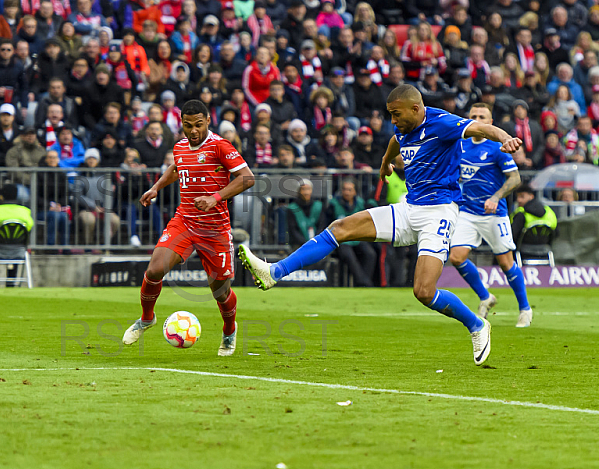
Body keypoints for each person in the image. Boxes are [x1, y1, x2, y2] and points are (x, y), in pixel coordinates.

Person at [239, 84, 524, 366]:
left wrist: (506, 138)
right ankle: (274, 272)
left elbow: (480, 128)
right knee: (341, 228)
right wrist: (386, 161)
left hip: (439, 213)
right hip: (409, 208)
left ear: (416, 108)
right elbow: (395, 140)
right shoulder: (404, 126)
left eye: (396, 114)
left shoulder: (443, 122)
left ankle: (476, 324)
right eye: (390, 114)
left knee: (424, 292)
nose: (392, 121)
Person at [122, 100, 255, 357]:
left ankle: (229, 330)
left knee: (220, 291)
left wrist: (216, 198)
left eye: (198, 124)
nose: (193, 131)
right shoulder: (180, 146)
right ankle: (146, 318)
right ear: (181, 124)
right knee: (155, 268)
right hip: (184, 220)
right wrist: (156, 187)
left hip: (215, 228)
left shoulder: (220, 146)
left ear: (207, 121)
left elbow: (247, 177)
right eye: (187, 125)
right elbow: (177, 168)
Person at [449, 104, 531, 328]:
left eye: (482, 116)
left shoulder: (496, 147)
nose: (477, 119)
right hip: (467, 211)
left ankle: (525, 309)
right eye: (474, 116)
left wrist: (495, 197)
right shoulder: (461, 145)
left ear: (491, 121)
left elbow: (515, 179)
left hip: (494, 213)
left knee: (506, 263)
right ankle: (485, 297)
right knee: (456, 257)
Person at [326, 178, 378, 286]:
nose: (346, 192)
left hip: (357, 237)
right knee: (349, 256)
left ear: (355, 192)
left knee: (370, 254)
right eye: (344, 189)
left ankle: (363, 283)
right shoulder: (333, 204)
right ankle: (364, 282)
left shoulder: (361, 204)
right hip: (341, 240)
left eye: (349, 190)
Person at [511, 183, 558, 252]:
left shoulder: (521, 214)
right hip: (546, 250)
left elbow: (512, 236)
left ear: (531, 196)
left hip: (523, 251)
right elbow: (556, 233)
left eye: (522, 196)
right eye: (517, 197)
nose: (518, 200)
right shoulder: (550, 212)